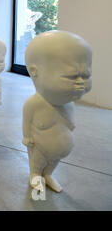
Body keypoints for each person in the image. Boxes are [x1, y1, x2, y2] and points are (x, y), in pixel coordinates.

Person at [23, 30, 92, 193]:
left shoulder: (68, 104)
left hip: (60, 150)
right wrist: (26, 136)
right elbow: (26, 121)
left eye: (86, 75)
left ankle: (48, 175)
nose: (80, 83)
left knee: (54, 162)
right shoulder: (34, 103)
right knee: (37, 162)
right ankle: (35, 175)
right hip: (39, 146)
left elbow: (70, 122)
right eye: (71, 76)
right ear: (35, 72)